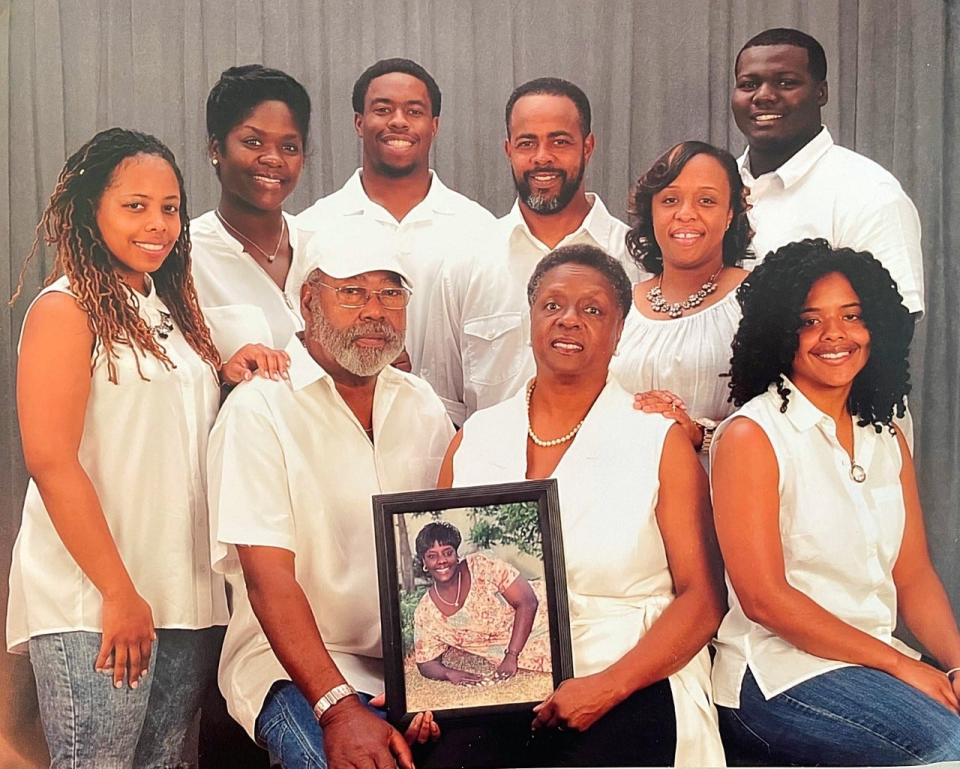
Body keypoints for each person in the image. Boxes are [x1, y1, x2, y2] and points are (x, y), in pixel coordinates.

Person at [6, 128, 274, 768]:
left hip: (183, 599)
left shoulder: (168, 311)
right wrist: (117, 592)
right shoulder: (65, 310)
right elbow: (51, 460)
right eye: (135, 206)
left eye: (170, 208)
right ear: (89, 208)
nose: (158, 224)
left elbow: (161, 425)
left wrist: (225, 372)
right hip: (98, 601)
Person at [437, 244, 726, 767]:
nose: (569, 320)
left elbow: (703, 601)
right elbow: (437, 582)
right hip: (495, 679)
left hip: (629, 674)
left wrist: (608, 686)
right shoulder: (475, 437)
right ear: (531, 320)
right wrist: (422, 688)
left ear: (619, 331)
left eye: (592, 309)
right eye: (552, 305)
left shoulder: (656, 442)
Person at [207, 220, 454, 769]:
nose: (375, 310)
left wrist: (437, 679)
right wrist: (339, 708)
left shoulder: (422, 405)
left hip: (410, 668)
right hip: (295, 670)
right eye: (352, 292)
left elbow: (451, 548)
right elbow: (269, 579)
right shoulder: (259, 410)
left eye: (391, 293)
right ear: (307, 300)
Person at [710, 238, 960, 766]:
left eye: (851, 316)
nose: (835, 335)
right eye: (809, 321)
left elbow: (912, 577)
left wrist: (957, 665)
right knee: (949, 748)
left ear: (876, 328)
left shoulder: (887, 436)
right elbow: (765, 600)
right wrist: (902, 665)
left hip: (872, 665)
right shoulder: (753, 435)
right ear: (780, 333)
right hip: (777, 675)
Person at [427, 77, 642, 424]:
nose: (543, 158)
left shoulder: (636, 260)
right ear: (508, 149)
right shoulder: (466, 263)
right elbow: (443, 407)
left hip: (614, 468)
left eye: (560, 141)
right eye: (528, 143)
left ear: (588, 147)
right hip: (497, 474)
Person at [295, 58, 494, 382]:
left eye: (414, 111)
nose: (399, 122)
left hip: (457, 425)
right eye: (383, 110)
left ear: (434, 125)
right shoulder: (313, 227)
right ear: (359, 123)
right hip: (344, 421)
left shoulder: (479, 229)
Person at [732, 28, 924, 315]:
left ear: (821, 93)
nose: (763, 96)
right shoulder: (714, 185)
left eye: (785, 82)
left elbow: (892, 324)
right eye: (749, 84)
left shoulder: (869, 192)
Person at [611, 141, 751, 457]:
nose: (685, 214)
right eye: (670, 200)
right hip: (627, 491)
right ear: (652, 210)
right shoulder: (621, 305)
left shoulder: (756, 301)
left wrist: (697, 434)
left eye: (706, 201)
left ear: (730, 214)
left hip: (724, 491)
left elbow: (780, 424)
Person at [192, 64, 312, 365]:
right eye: (253, 142)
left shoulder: (324, 248)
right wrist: (224, 374)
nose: (273, 158)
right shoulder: (184, 256)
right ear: (216, 149)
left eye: (289, 147)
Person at [413, 521, 551, 684]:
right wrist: (450, 674)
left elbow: (528, 601)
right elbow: (425, 663)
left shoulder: (481, 566)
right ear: (424, 563)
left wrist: (511, 655)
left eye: (447, 552)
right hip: (525, 650)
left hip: (543, 615)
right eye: (432, 556)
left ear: (457, 555)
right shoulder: (426, 613)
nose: (441, 560)